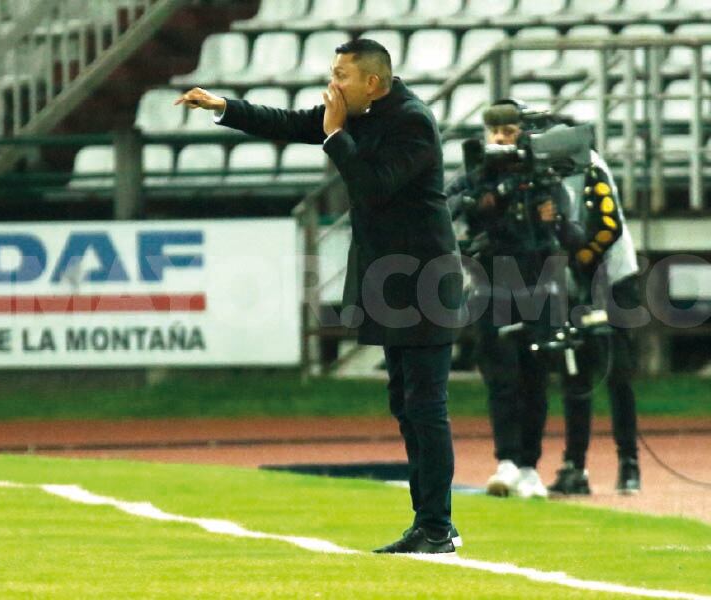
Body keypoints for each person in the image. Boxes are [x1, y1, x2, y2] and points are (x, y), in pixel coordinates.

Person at [177, 38, 463, 553]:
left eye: (341, 75)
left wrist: (335, 137)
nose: (333, 84)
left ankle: (438, 526)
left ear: (372, 81)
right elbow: (288, 122)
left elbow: (374, 187)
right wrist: (222, 106)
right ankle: (430, 524)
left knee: (426, 405)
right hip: (391, 278)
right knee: (405, 403)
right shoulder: (357, 110)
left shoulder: (411, 121)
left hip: (424, 278)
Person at [445, 99, 563, 500]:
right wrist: (475, 204)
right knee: (502, 380)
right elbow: (445, 205)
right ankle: (507, 461)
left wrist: (553, 216)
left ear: (522, 134)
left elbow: (568, 223)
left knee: (536, 379)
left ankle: (530, 465)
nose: (500, 138)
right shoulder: (474, 174)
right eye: (494, 130)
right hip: (491, 286)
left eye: (509, 130)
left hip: (538, 287)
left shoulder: (540, 174)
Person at [540, 150, 642, 495]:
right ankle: (575, 465)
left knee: (618, 372)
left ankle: (629, 462)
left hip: (614, 279)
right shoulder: (542, 170)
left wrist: (580, 259)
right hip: (573, 278)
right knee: (575, 371)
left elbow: (607, 226)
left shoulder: (588, 163)